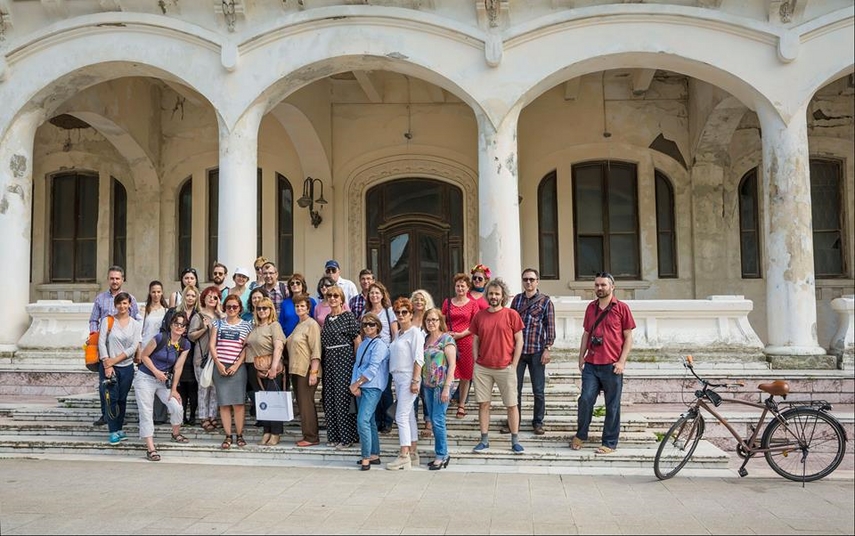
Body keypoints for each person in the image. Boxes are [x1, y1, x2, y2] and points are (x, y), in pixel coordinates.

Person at [571, 272, 636, 454]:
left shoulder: (622, 308)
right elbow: (586, 334)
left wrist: (622, 362)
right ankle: (581, 434)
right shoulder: (591, 308)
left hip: (612, 365)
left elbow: (628, 337)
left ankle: (609, 442)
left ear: (612, 287)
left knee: (612, 405)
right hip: (592, 363)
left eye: (603, 285)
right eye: (597, 285)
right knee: (585, 400)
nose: (599, 288)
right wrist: (581, 356)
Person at [469, 278, 525, 455]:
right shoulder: (480, 316)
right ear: (487, 295)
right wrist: (476, 360)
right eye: (491, 293)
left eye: (497, 294)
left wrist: (514, 364)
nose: (494, 296)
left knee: (511, 404)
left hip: (505, 367)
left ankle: (515, 440)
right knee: (483, 404)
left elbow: (519, 341)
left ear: (503, 296)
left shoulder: (511, 315)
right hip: (483, 368)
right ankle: (484, 440)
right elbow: (475, 339)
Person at [134, 312, 191, 461]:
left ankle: (175, 433)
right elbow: (144, 356)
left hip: (163, 381)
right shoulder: (160, 338)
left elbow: (178, 367)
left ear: (185, 328)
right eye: (177, 324)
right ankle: (151, 448)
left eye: (182, 325)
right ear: (171, 325)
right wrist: (155, 371)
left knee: (176, 406)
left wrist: (173, 389)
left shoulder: (185, 344)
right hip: (145, 377)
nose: (179, 327)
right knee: (146, 412)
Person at [88, 265, 140, 426]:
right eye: (112, 278)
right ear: (108, 279)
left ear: (122, 279)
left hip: (123, 348)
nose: (115, 281)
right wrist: (94, 337)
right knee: (105, 385)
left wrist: (137, 350)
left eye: (117, 278)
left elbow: (137, 322)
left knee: (121, 389)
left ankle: (119, 417)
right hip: (105, 347)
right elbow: (93, 320)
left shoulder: (130, 299)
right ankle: (106, 415)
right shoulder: (100, 299)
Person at [506, 268, 555, 436]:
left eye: (532, 279)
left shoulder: (546, 301)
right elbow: (509, 325)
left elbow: (550, 326)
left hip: (537, 350)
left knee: (538, 390)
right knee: (514, 389)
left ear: (537, 281)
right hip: (518, 352)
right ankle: (514, 422)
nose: (528, 282)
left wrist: (547, 348)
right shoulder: (517, 300)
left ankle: (538, 422)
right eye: (526, 279)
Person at [209, 294, 253, 449]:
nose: (232, 309)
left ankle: (240, 435)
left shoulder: (247, 325)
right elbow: (212, 345)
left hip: (238, 368)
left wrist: (236, 365)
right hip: (220, 366)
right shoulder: (217, 323)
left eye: (235, 306)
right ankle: (228, 435)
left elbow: (246, 348)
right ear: (224, 308)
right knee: (224, 404)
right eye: (229, 306)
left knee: (239, 403)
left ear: (240, 308)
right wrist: (219, 364)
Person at [386, 298, 425, 471]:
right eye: (398, 312)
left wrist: (415, 381)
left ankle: (404, 455)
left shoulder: (415, 332)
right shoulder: (398, 334)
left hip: (409, 376)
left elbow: (418, 358)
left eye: (404, 312)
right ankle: (414, 452)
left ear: (410, 314)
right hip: (398, 377)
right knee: (408, 416)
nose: (401, 315)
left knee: (400, 416)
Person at [319, 285, 361, 449]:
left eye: (336, 296)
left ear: (342, 299)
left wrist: (357, 363)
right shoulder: (328, 319)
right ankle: (334, 435)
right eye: (330, 296)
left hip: (344, 360)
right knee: (329, 398)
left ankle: (347, 437)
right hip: (329, 360)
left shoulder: (349, 317)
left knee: (343, 398)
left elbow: (357, 340)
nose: (332, 299)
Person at [98, 291, 141, 445]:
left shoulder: (135, 325)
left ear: (129, 304)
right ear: (115, 305)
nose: (122, 306)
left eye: (125, 303)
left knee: (122, 399)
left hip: (126, 367)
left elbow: (133, 347)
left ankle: (119, 428)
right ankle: (112, 430)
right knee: (111, 399)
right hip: (108, 367)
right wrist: (107, 363)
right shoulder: (108, 321)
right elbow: (101, 343)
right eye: (119, 303)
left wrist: (115, 360)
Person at [350, 312, 390, 470]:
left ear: (378, 326)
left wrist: (358, 383)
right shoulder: (363, 343)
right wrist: (355, 384)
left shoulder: (379, 344)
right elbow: (357, 365)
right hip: (361, 386)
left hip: (373, 387)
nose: (368, 327)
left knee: (363, 420)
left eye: (371, 324)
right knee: (370, 421)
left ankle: (366, 456)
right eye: (365, 324)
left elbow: (373, 368)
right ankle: (374, 454)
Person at [245, 296, 287, 445]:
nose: (262, 311)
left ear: (271, 310)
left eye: (265, 308)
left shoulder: (274, 326)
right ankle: (266, 431)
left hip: (270, 367)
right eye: (259, 308)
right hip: (255, 368)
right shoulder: (254, 327)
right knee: (263, 403)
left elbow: (279, 346)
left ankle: (275, 432)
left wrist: (274, 367)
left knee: (273, 401)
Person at [421, 308, 457, 470]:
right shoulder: (425, 339)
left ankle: (442, 455)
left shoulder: (446, 339)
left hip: (442, 385)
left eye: (434, 320)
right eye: (428, 320)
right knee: (434, 421)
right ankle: (440, 453)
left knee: (438, 419)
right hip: (428, 385)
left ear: (440, 321)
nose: (431, 323)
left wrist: (447, 388)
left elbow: (452, 365)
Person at [442, 273, 480, 420]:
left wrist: (461, 334)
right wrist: (448, 333)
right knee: (447, 373)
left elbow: (475, 324)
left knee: (465, 375)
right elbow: (442, 320)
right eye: (457, 285)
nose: (460, 288)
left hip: (466, 341)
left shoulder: (472, 304)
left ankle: (462, 404)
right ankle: (444, 401)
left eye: (462, 286)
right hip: (449, 341)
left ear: (467, 288)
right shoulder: (448, 302)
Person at [287, 293, 322, 447]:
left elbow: (316, 350)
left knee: (306, 403)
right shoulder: (298, 325)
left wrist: (313, 372)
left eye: (302, 306)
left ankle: (311, 437)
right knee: (302, 404)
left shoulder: (312, 324)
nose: (299, 308)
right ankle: (307, 434)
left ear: (308, 308)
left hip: (307, 370)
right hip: (296, 370)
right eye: (297, 306)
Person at [188, 285, 222, 433]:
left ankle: (212, 416)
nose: (212, 299)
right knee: (203, 388)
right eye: (210, 296)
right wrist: (204, 328)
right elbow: (191, 335)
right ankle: (203, 417)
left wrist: (220, 312)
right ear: (204, 298)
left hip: (218, 357)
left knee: (215, 389)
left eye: (215, 297)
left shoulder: (222, 316)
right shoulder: (198, 316)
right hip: (202, 357)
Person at [365, 281, 397, 434]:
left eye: (377, 293)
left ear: (382, 295)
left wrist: (394, 352)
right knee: (373, 389)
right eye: (372, 293)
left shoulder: (388, 311)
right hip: (370, 356)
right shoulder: (367, 313)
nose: (374, 295)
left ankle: (388, 420)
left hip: (385, 355)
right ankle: (377, 420)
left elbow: (394, 333)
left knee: (385, 390)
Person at [173, 285, 200, 425]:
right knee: (181, 385)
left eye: (193, 295)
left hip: (194, 352)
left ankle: (193, 415)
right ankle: (182, 415)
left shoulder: (199, 313)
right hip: (178, 350)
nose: (190, 298)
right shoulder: (176, 312)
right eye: (188, 295)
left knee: (192, 386)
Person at [410, 289, 435, 437]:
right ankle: (411, 421)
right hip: (411, 360)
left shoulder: (430, 318)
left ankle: (428, 423)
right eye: (416, 299)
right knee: (412, 392)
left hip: (427, 360)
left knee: (426, 393)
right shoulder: (408, 317)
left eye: (422, 299)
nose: (419, 302)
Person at [137, 281, 168, 365]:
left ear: (162, 292)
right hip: (146, 346)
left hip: (160, 348)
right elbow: (139, 332)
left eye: (158, 292)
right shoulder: (144, 309)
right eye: (153, 292)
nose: (156, 294)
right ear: (150, 293)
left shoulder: (166, 311)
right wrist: (139, 351)